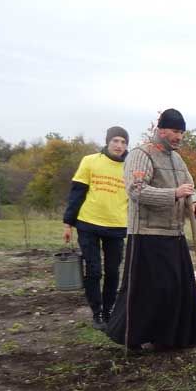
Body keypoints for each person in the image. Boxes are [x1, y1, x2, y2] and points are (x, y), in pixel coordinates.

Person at [105, 108, 196, 351]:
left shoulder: (176, 158)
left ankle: (171, 338)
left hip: (174, 233)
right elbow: (136, 190)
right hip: (146, 234)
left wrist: (195, 202)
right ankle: (135, 338)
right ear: (160, 130)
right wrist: (173, 194)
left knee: (176, 288)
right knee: (149, 292)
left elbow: (188, 186)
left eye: (181, 132)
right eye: (174, 131)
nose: (178, 136)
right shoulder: (142, 154)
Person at [61, 126, 129, 329]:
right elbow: (77, 193)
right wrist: (68, 223)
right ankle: (97, 312)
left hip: (117, 226)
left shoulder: (130, 168)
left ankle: (109, 310)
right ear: (108, 142)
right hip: (88, 223)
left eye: (124, 142)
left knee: (112, 271)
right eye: (116, 141)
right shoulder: (90, 161)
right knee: (94, 270)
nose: (119, 145)